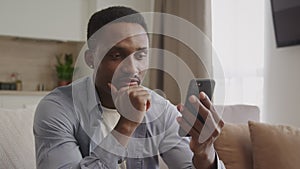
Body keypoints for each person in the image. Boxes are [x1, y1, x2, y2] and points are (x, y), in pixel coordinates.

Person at [34, 6, 225, 169]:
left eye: (141, 56)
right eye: (116, 55)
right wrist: (127, 124)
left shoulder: (159, 108)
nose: (132, 69)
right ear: (91, 59)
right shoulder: (57, 108)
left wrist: (204, 153)